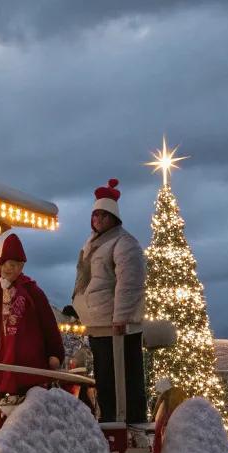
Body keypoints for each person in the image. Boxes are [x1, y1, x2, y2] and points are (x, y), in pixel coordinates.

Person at [72, 178, 147, 425]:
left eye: (103, 216)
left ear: (114, 218)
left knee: (123, 378)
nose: (98, 221)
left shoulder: (124, 244)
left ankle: (127, 421)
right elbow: (87, 281)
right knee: (105, 376)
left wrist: (121, 318)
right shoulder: (92, 244)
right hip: (99, 324)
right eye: (95, 216)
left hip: (117, 327)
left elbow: (129, 284)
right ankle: (110, 417)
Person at [0, 233, 65, 400]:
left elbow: (48, 324)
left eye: (16, 265)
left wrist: (56, 353)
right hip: (7, 362)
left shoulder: (32, 292)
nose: (11, 268)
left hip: (30, 365)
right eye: (8, 264)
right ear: (0, 265)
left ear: (22, 267)